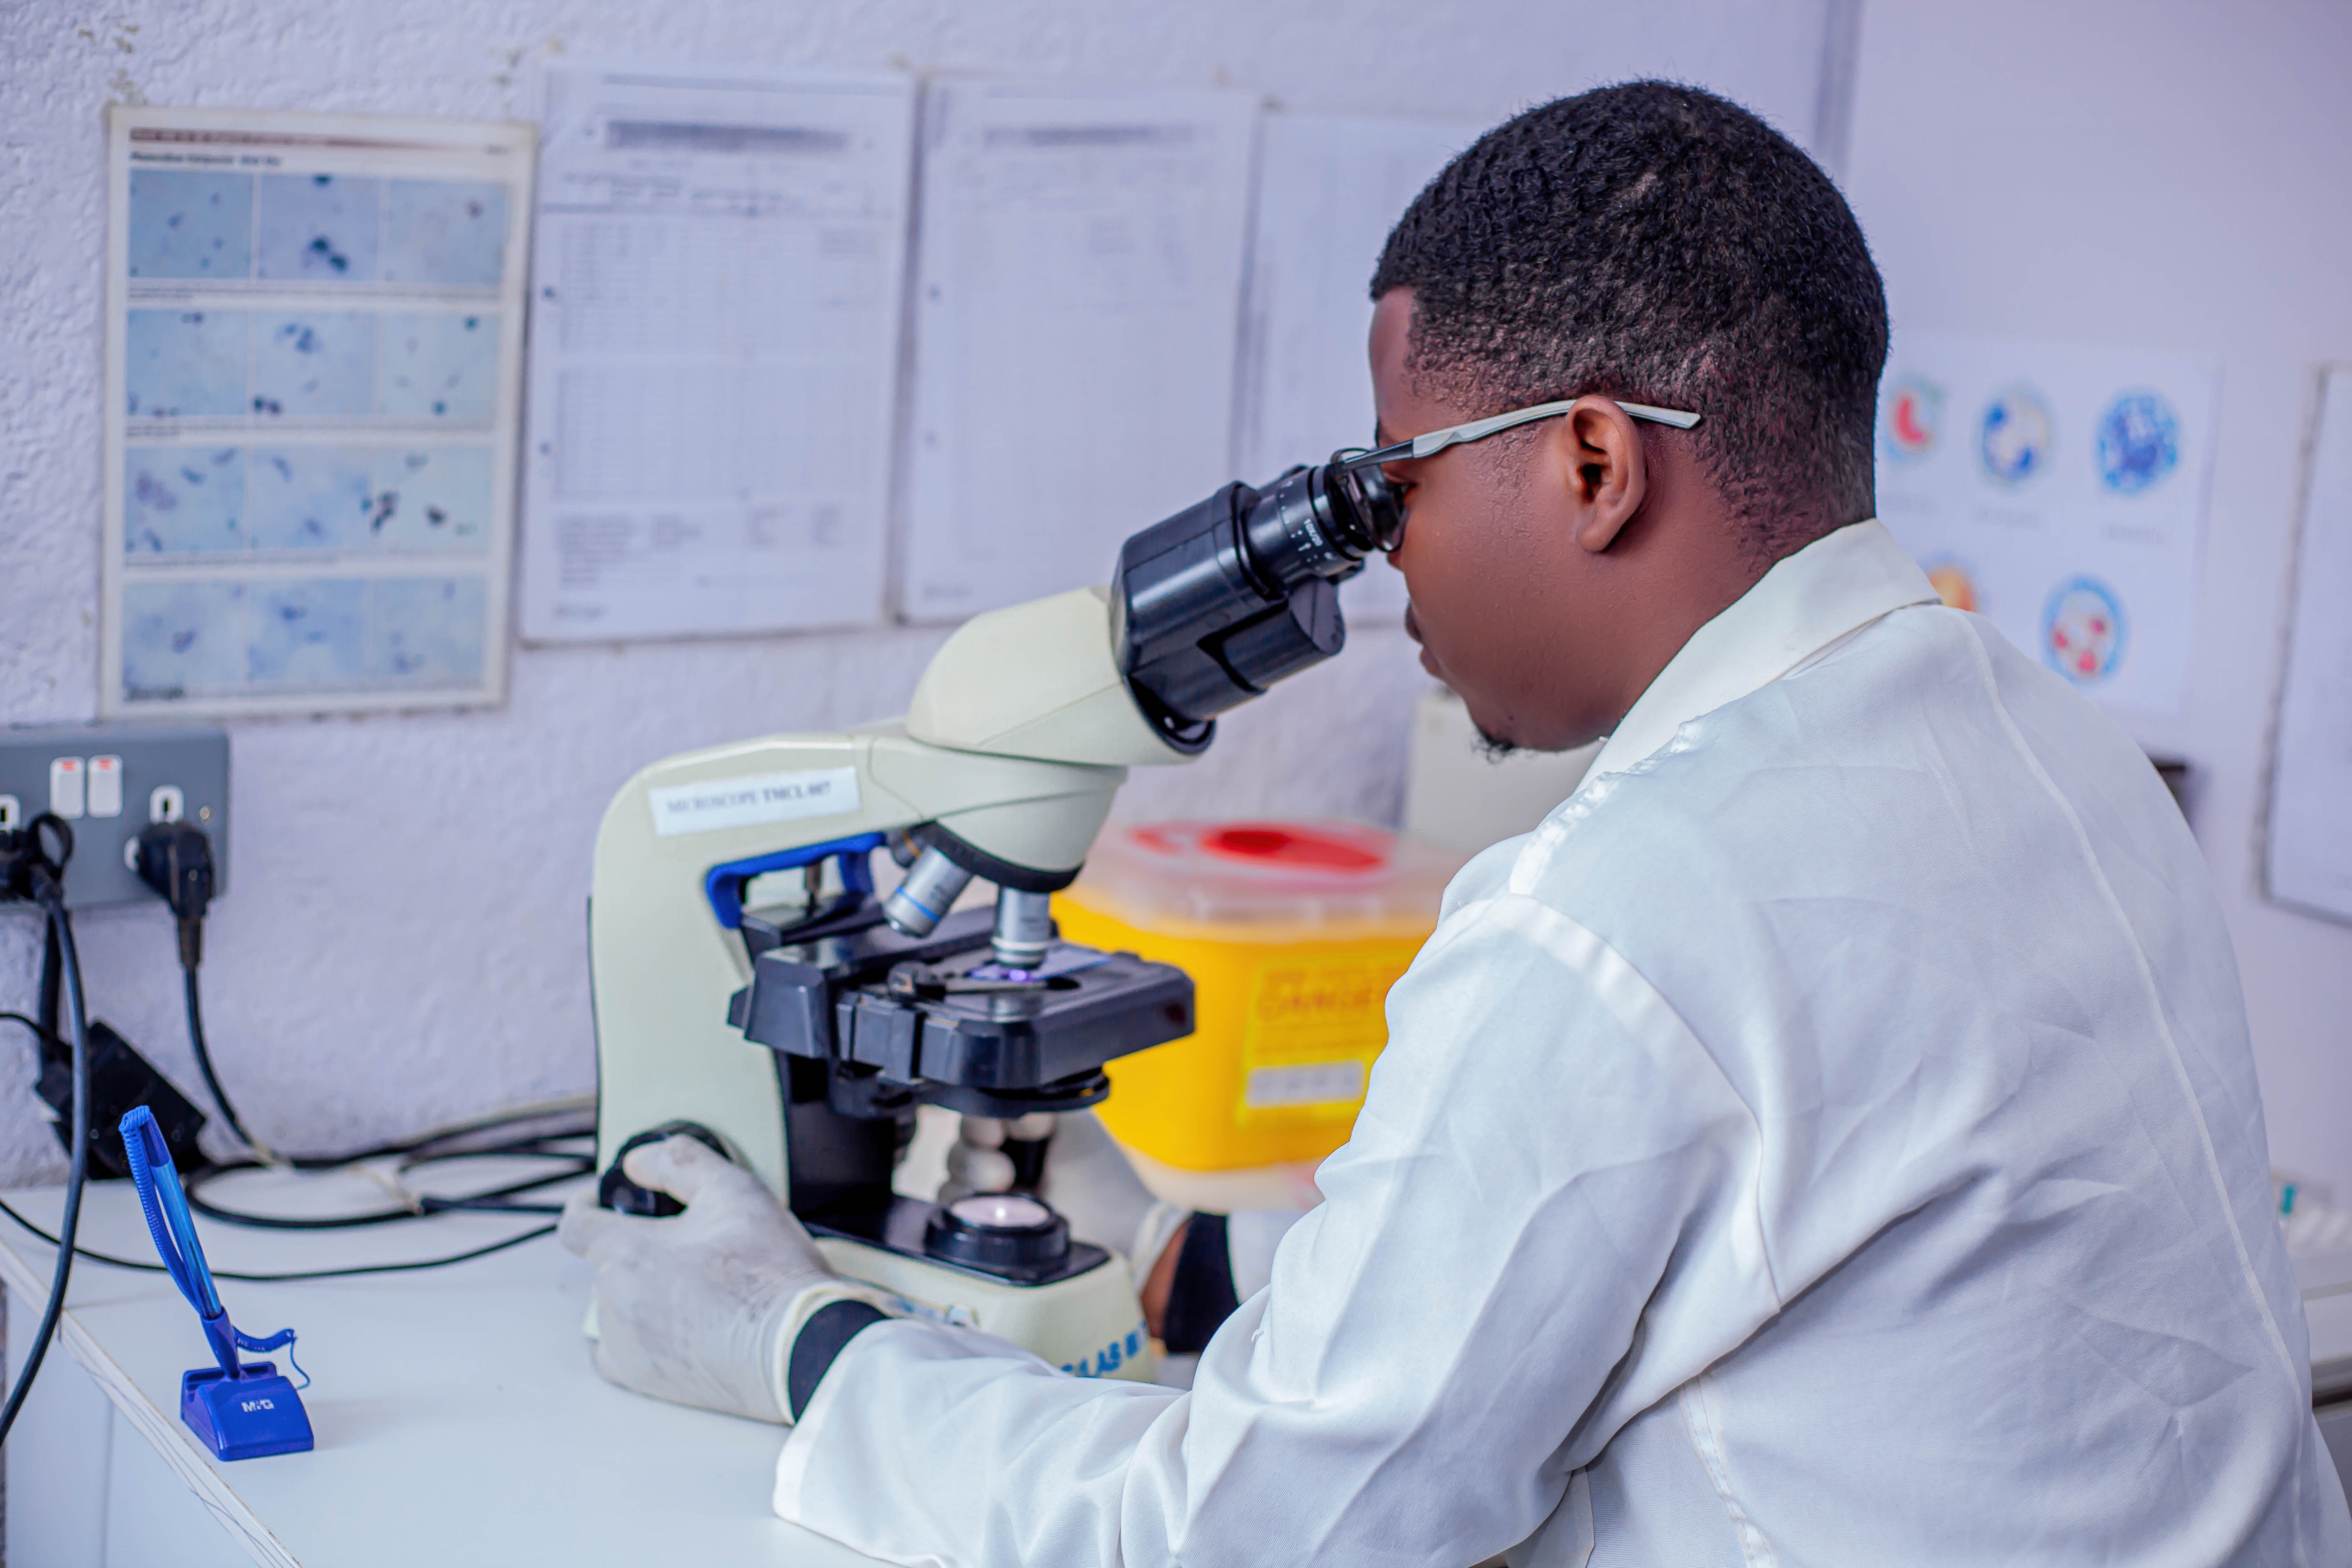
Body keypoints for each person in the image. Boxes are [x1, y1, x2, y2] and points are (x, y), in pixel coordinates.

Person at [561, 82, 2352, 1565]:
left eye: (1396, 477)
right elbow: (1726, 1245)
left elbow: (1256, 1534)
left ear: (1594, 464)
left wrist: (803, 1344)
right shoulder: (2042, 739)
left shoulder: (1623, 909)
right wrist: (1200, 1266)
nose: (1383, 553)